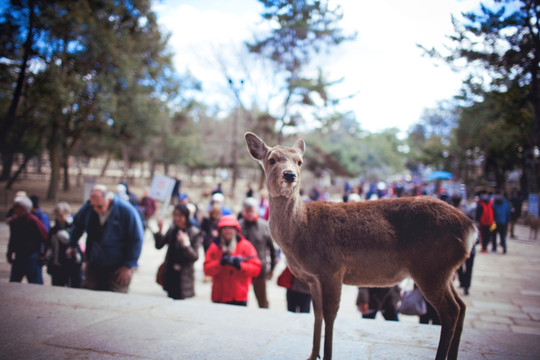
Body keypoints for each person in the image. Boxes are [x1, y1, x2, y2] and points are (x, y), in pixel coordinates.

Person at [69, 184, 144, 293]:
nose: (95, 209)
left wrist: (128, 265)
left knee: (116, 297)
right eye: (93, 206)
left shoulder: (126, 211)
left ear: (109, 199)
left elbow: (136, 238)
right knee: (88, 294)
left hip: (119, 264)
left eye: (99, 206)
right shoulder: (89, 208)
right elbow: (77, 225)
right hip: (95, 260)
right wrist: (72, 244)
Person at [203, 215, 262, 306]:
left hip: (239, 296)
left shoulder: (246, 246)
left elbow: (256, 269)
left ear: (236, 230)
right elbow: (206, 270)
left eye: (230, 228)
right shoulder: (214, 247)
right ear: (220, 230)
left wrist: (240, 265)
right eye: (225, 228)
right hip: (219, 296)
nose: (227, 231)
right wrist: (220, 263)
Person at [154, 204, 202, 300]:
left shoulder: (194, 232)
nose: (177, 218)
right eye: (175, 215)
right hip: (170, 273)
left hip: (183, 276)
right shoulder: (173, 229)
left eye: (180, 216)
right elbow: (159, 245)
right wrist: (159, 231)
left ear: (186, 216)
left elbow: (194, 257)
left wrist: (186, 244)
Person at [239, 197, 277, 308]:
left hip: (260, 269)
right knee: (240, 298)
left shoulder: (264, 226)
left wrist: (272, 268)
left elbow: (272, 250)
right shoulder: (238, 226)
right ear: (244, 211)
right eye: (247, 210)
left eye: (252, 210)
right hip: (241, 268)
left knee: (262, 299)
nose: (250, 213)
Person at [7, 196, 48, 284]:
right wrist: (9, 253)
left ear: (24, 208)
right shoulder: (14, 222)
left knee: (35, 283)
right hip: (19, 255)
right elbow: (13, 239)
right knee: (14, 282)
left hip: (32, 256)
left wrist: (43, 254)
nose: (14, 209)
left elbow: (45, 238)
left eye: (17, 207)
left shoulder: (33, 221)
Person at [45, 202, 83, 288]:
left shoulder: (74, 227)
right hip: (58, 263)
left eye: (61, 215)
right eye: (57, 215)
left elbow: (78, 245)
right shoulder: (54, 229)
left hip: (72, 263)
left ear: (67, 214)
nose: (59, 218)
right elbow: (50, 245)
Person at [452, 195, 476, 295]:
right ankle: (466, 286)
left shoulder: (451, 213)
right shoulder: (468, 211)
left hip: (457, 245)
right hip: (470, 243)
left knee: (458, 265)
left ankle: (462, 281)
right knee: (469, 267)